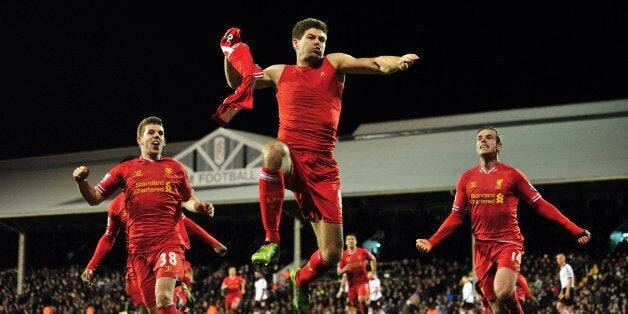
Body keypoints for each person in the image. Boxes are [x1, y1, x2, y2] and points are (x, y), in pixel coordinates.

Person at [221, 17, 419, 313]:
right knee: (272, 151)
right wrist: (229, 53)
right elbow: (238, 82)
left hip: (324, 168)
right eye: (312, 38)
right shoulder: (279, 72)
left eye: (322, 39)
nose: (318, 43)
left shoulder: (334, 64)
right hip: (292, 158)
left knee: (332, 255)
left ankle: (300, 279)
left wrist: (397, 62)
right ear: (296, 42)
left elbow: (376, 63)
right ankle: (271, 240)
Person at [415, 126, 591, 314]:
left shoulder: (512, 175)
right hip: (482, 248)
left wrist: (574, 229)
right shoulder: (466, 178)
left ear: (499, 145)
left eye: (489, 137)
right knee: (497, 309)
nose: (483, 140)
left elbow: (541, 205)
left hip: (508, 242)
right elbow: (456, 216)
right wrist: (433, 240)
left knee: (504, 291)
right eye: (479, 138)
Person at [73, 116, 216, 314]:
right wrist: (81, 182)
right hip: (138, 251)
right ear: (140, 139)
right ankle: (180, 301)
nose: (157, 136)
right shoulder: (124, 170)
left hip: (168, 243)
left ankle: (179, 295)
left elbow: (188, 199)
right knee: (154, 310)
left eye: (161, 133)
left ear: (164, 141)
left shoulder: (175, 168)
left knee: (164, 298)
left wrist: (199, 206)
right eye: (151, 132)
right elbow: (94, 197)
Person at [336, 233, 377, 314]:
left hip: (363, 282)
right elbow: (338, 272)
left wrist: (373, 271)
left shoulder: (362, 251)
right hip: (351, 285)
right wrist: (345, 269)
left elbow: (373, 259)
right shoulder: (342, 256)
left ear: (356, 241)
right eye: (348, 239)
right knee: (355, 306)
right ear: (345, 242)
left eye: (352, 239)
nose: (350, 241)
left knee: (362, 299)